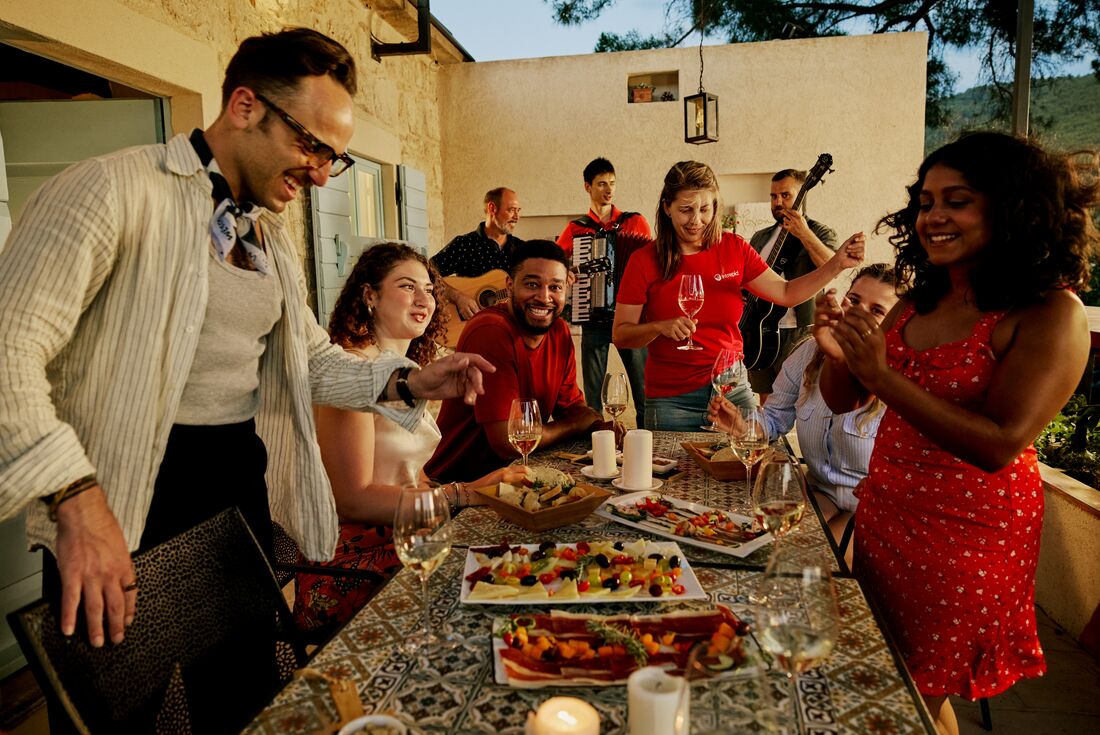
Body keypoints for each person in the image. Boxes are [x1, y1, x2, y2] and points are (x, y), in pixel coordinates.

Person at [0, 28, 494, 653]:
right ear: (244, 106)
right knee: (130, 706)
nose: (320, 175)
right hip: (122, 498)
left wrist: (406, 380)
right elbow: (7, 353)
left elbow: (308, 360)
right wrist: (76, 502)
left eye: (332, 158)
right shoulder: (111, 191)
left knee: (246, 690)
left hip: (235, 492)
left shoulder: (271, 242)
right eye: (311, 145)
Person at [813, 131, 1098, 735]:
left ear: (1011, 205)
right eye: (925, 201)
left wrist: (881, 376)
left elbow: (1000, 442)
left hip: (969, 537)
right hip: (888, 515)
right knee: (886, 670)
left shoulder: (1050, 313)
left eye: (957, 200)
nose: (933, 216)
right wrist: (841, 354)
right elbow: (847, 399)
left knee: (913, 688)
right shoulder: (916, 303)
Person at [293, 243, 529, 636]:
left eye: (429, 289)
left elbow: (409, 476)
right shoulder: (350, 373)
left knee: (512, 563)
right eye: (407, 287)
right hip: (352, 564)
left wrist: (475, 495)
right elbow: (353, 498)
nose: (424, 299)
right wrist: (466, 494)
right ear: (370, 295)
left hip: (405, 536)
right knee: (483, 603)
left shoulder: (410, 371)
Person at [612, 160, 864, 431]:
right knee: (672, 472)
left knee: (743, 467)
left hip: (731, 389)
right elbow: (621, 334)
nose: (696, 220)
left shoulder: (734, 249)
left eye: (705, 209)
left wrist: (836, 263)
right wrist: (659, 327)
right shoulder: (644, 261)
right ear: (667, 208)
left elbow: (787, 292)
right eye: (685, 210)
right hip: (671, 399)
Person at [708, 263, 901, 566]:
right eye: (853, 300)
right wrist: (743, 427)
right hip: (820, 491)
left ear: (896, 321)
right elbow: (773, 419)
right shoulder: (809, 353)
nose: (858, 314)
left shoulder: (902, 373)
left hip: (872, 506)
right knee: (763, 549)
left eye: (877, 310)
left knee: (815, 562)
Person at [426, 240, 620, 482]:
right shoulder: (489, 331)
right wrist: (574, 425)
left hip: (517, 475)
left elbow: (571, 408)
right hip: (460, 486)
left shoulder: (559, 331)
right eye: (532, 284)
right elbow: (508, 442)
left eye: (555, 287)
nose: (544, 297)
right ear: (510, 285)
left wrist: (599, 428)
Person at [557, 157, 653, 425]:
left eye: (612, 183)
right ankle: (596, 443)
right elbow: (557, 262)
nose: (608, 190)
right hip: (594, 317)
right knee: (593, 392)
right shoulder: (577, 229)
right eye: (601, 184)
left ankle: (648, 439)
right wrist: (567, 272)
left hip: (631, 317)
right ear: (588, 187)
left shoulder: (635, 222)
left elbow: (650, 263)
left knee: (643, 388)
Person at [744, 168, 839, 399]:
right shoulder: (760, 237)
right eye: (773, 196)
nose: (778, 202)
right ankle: (769, 437)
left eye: (785, 195)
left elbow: (832, 266)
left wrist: (804, 233)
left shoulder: (820, 232)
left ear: (801, 197)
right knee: (765, 397)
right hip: (759, 331)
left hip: (798, 331)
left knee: (800, 398)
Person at [431, 187, 524, 319]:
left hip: (509, 329)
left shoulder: (523, 250)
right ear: (492, 208)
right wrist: (457, 297)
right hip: (469, 326)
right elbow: (427, 274)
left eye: (518, 211)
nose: (517, 217)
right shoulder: (463, 245)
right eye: (511, 210)